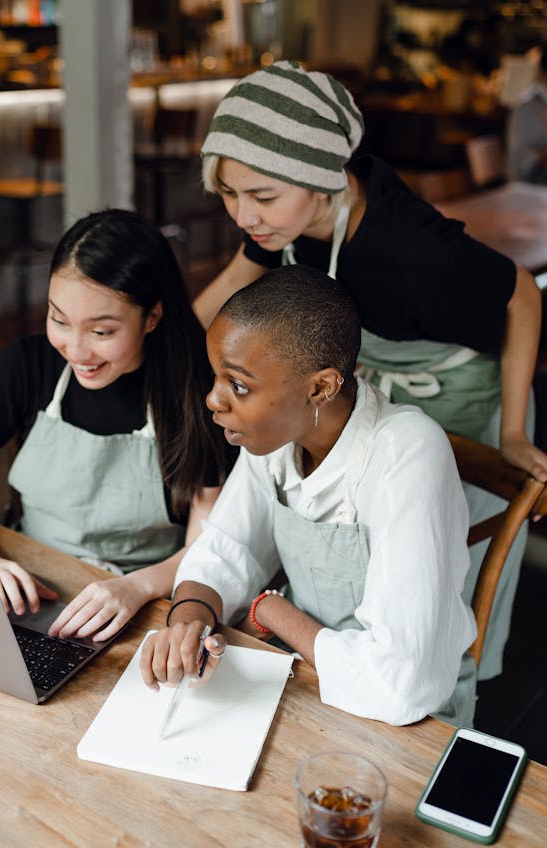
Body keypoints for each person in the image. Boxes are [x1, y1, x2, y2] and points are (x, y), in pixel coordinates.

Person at [190, 60, 547, 681]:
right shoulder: (282, 222)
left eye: (261, 197)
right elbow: (221, 298)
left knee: (430, 574)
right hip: (370, 384)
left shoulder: (412, 249)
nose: (244, 216)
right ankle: (345, 657)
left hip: (456, 386)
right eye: (228, 193)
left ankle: (439, 694)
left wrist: (513, 431)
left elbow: (521, 292)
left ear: (323, 179)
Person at [141, 265, 477, 728]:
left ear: (321, 386)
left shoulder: (407, 452)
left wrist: (273, 611)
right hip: (307, 681)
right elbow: (226, 548)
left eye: (238, 385)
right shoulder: (275, 434)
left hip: (413, 727)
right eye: (216, 376)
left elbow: (398, 686)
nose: (213, 400)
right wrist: (188, 619)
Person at [0, 209, 233, 641]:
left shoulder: (198, 393)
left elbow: (205, 547)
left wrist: (136, 587)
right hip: (26, 584)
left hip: (140, 604)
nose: (76, 350)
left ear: (152, 317)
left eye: (101, 331)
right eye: (59, 320)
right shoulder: (26, 365)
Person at [506, 46, 547, 185]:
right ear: (543, 73)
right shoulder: (526, 109)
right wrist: (542, 156)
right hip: (533, 194)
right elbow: (519, 169)